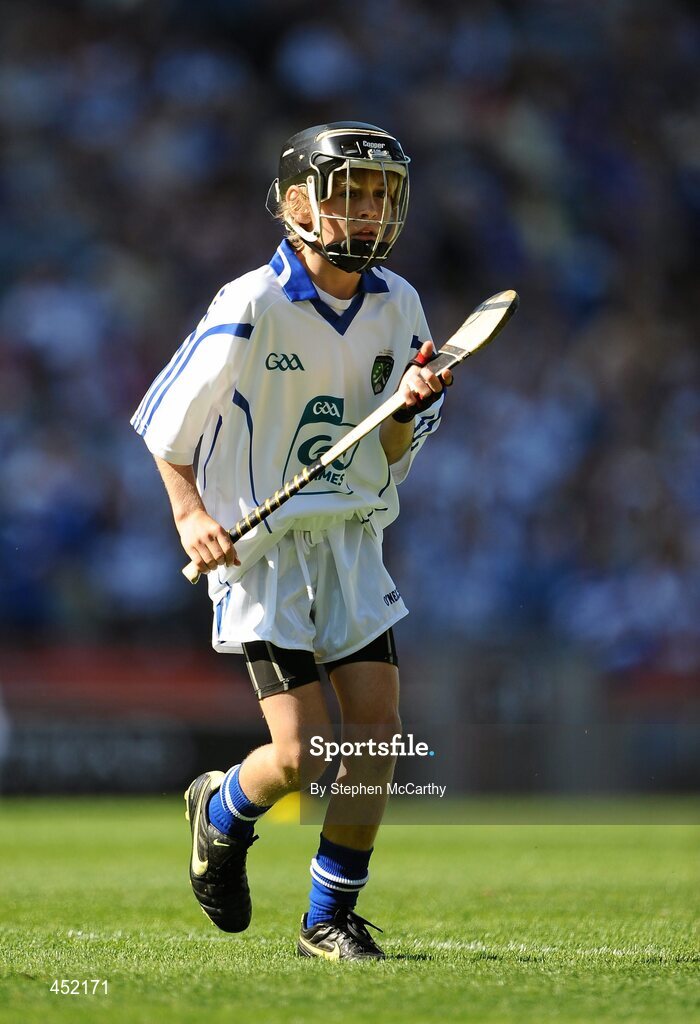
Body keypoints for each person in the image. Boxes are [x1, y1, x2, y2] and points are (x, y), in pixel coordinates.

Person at [131, 121, 451, 960]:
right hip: (264, 551)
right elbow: (165, 428)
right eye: (353, 192)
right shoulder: (249, 304)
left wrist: (407, 412)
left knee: (375, 732)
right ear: (299, 202)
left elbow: (388, 451)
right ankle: (223, 810)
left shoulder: (401, 304)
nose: (372, 209)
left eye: (382, 192)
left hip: (348, 542)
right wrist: (190, 516)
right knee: (304, 755)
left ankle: (327, 920)